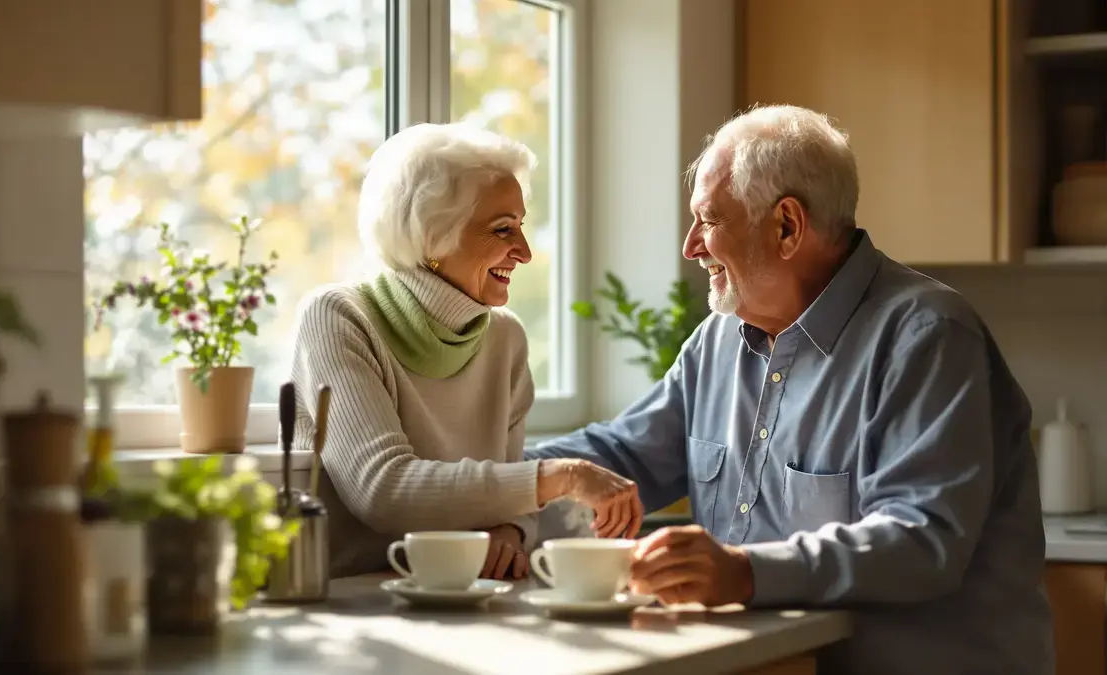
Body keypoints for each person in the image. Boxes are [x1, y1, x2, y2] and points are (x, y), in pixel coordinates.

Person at [527, 105, 1053, 674]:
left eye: (708, 219)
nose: (691, 246)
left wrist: (744, 571)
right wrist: (479, 487)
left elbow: (921, 541)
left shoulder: (928, 337)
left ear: (786, 226)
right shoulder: (718, 341)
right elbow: (620, 458)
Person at [290, 122, 641, 580]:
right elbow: (382, 489)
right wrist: (564, 476)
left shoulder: (505, 337)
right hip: (358, 598)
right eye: (502, 229)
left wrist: (512, 532)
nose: (525, 251)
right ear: (434, 234)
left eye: (521, 226)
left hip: (467, 590)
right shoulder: (337, 316)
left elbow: (511, 492)